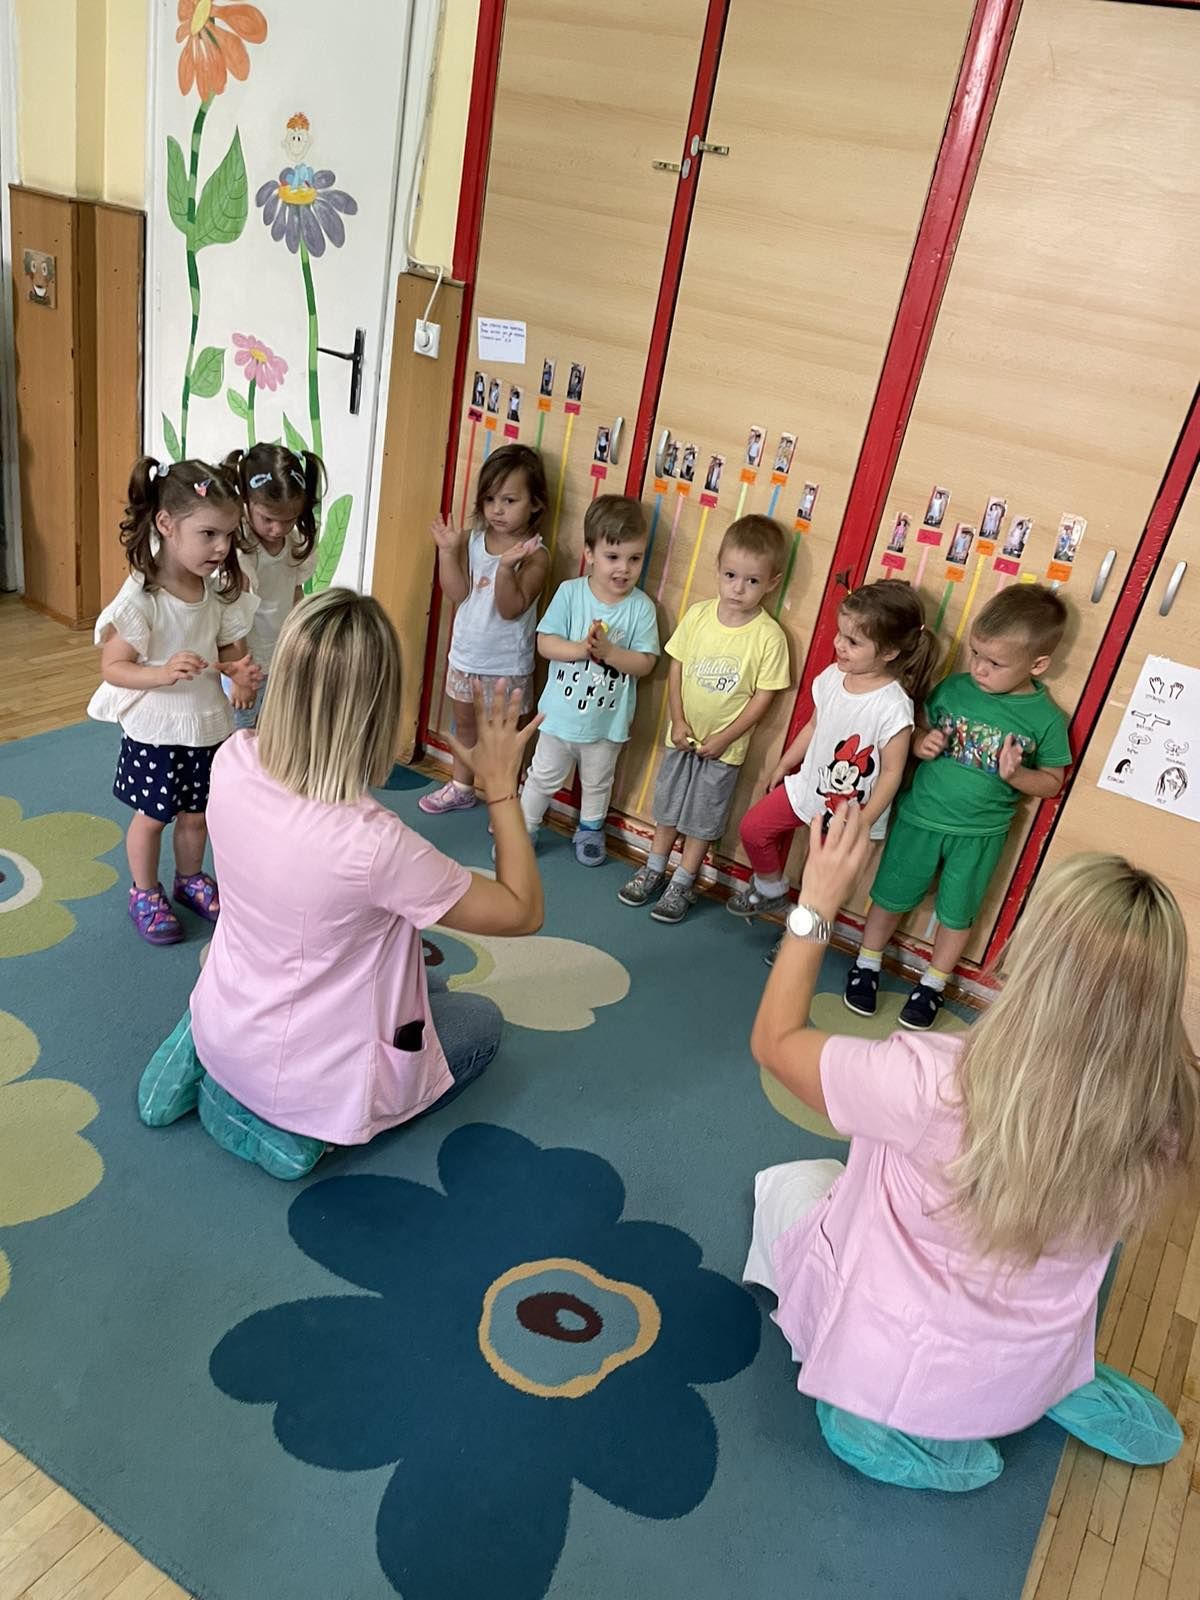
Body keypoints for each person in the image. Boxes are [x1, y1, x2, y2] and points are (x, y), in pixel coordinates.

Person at [747, 803, 1194, 1491]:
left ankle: (889, 1421)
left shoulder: (932, 1081)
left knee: (789, 1181)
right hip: (1032, 1349)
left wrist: (817, 904)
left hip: (909, 1347)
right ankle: (1061, 1387)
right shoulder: (1168, 1107)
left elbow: (775, 1043)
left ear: (1034, 961)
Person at [137, 590, 544, 1180]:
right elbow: (522, 910)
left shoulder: (233, 757)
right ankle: (299, 1131)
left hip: (225, 1010)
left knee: (425, 980)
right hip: (303, 1080)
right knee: (480, 1021)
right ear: (377, 710)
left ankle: (202, 1049)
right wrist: (502, 787)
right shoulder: (376, 844)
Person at [846, 584, 1070, 1030]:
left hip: (980, 836)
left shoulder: (1046, 718)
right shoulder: (953, 688)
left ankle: (933, 984)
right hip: (919, 818)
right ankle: (867, 963)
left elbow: (1052, 781)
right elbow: (916, 726)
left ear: (1038, 665)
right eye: (976, 654)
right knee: (889, 895)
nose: (979, 668)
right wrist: (921, 742)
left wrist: (1017, 776)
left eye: (995, 663)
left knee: (957, 912)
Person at [88, 458, 260, 945]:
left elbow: (227, 648)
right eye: (209, 534)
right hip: (157, 730)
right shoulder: (141, 598)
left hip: (205, 724)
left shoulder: (215, 592)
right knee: (152, 817)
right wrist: (161, 674)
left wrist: (239, 672)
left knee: (196, 814)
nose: (222, 547)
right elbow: (113, 667)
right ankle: (144, 892)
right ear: (166, 524)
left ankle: (190, 879)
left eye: (228, 535)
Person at [729, 581, 938, 965]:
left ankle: (799, 939)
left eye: (853, 642)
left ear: (889, 652)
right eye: (841, 634)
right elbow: (814, 726)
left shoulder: (893, 706)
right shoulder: (831, 677)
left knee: (819, 881)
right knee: (754, 829)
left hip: (848, 812)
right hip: (808, 787)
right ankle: (771, 888)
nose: (839, 645)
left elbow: (892, 772)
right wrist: (785, 762)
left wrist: (864, 821)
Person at [619, 516, 790, 923]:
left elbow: (763, 698)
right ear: (718, 568)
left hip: (723, 752)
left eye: (752, 580)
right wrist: (677, 721)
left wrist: (726, 737)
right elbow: (676, 668)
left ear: (772, 582)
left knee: (702, 818)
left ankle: (684, 880)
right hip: (682, 738)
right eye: (730, 575)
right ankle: (654, 868)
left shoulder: (769, 636)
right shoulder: (698, 615)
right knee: (667, 806)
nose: (738, 588)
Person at [520, 495, 659, 865]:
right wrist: (584, 649)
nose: (624, 568)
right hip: (558, 719)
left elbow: (646, 663)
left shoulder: (642, 608)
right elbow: (545, 643)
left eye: (635, 558)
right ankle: (524, 828)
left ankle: (590, 830)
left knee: (598, 783)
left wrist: (610, 652)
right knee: (541, 777)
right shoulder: (570, 593)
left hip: (606, 725)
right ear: (589, 553)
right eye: (613, 557)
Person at [421, 444, 549, 815]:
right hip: (466, 656)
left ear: (535, 503)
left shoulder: (536, 554)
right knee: (465, 727)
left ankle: (504, 802)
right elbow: (458, 593)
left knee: (504, 741)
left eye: (510, 500)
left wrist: (506, 569)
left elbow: (510, 608)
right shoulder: (473, 539)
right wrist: (447, 552)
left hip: (506, 664)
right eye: (490, 499)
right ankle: (462, 786)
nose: (497, 509)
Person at [221, 442, 327, 728]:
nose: (278, 529)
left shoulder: (295, 542)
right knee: (239, 733)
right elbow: (234, 616)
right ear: (246, 501)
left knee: (271, 727)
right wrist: (240, 674)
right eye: (268, 519)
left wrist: (300, 643)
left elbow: (295, 594)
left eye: (289, 519)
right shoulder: (242, 549)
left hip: (278, 654)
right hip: (244, 658)